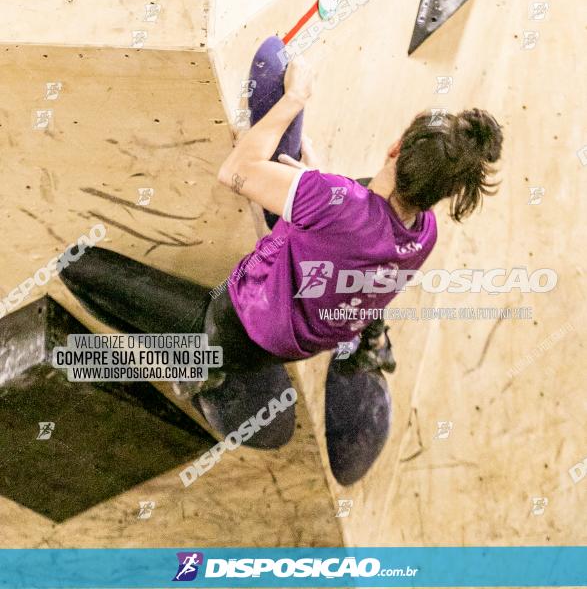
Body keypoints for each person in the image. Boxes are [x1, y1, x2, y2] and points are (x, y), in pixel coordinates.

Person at [59, 55, 503, 389]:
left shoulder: (339, 202)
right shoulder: (424, 232)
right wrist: (325, 183)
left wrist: (295, 99)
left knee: (76, 265)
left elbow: (235, 170)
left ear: (395, 147)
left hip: (228, 328)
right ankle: (373, 344)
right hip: (299, 344)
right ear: (442, 194)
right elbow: (360, 226)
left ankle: (195, 369)